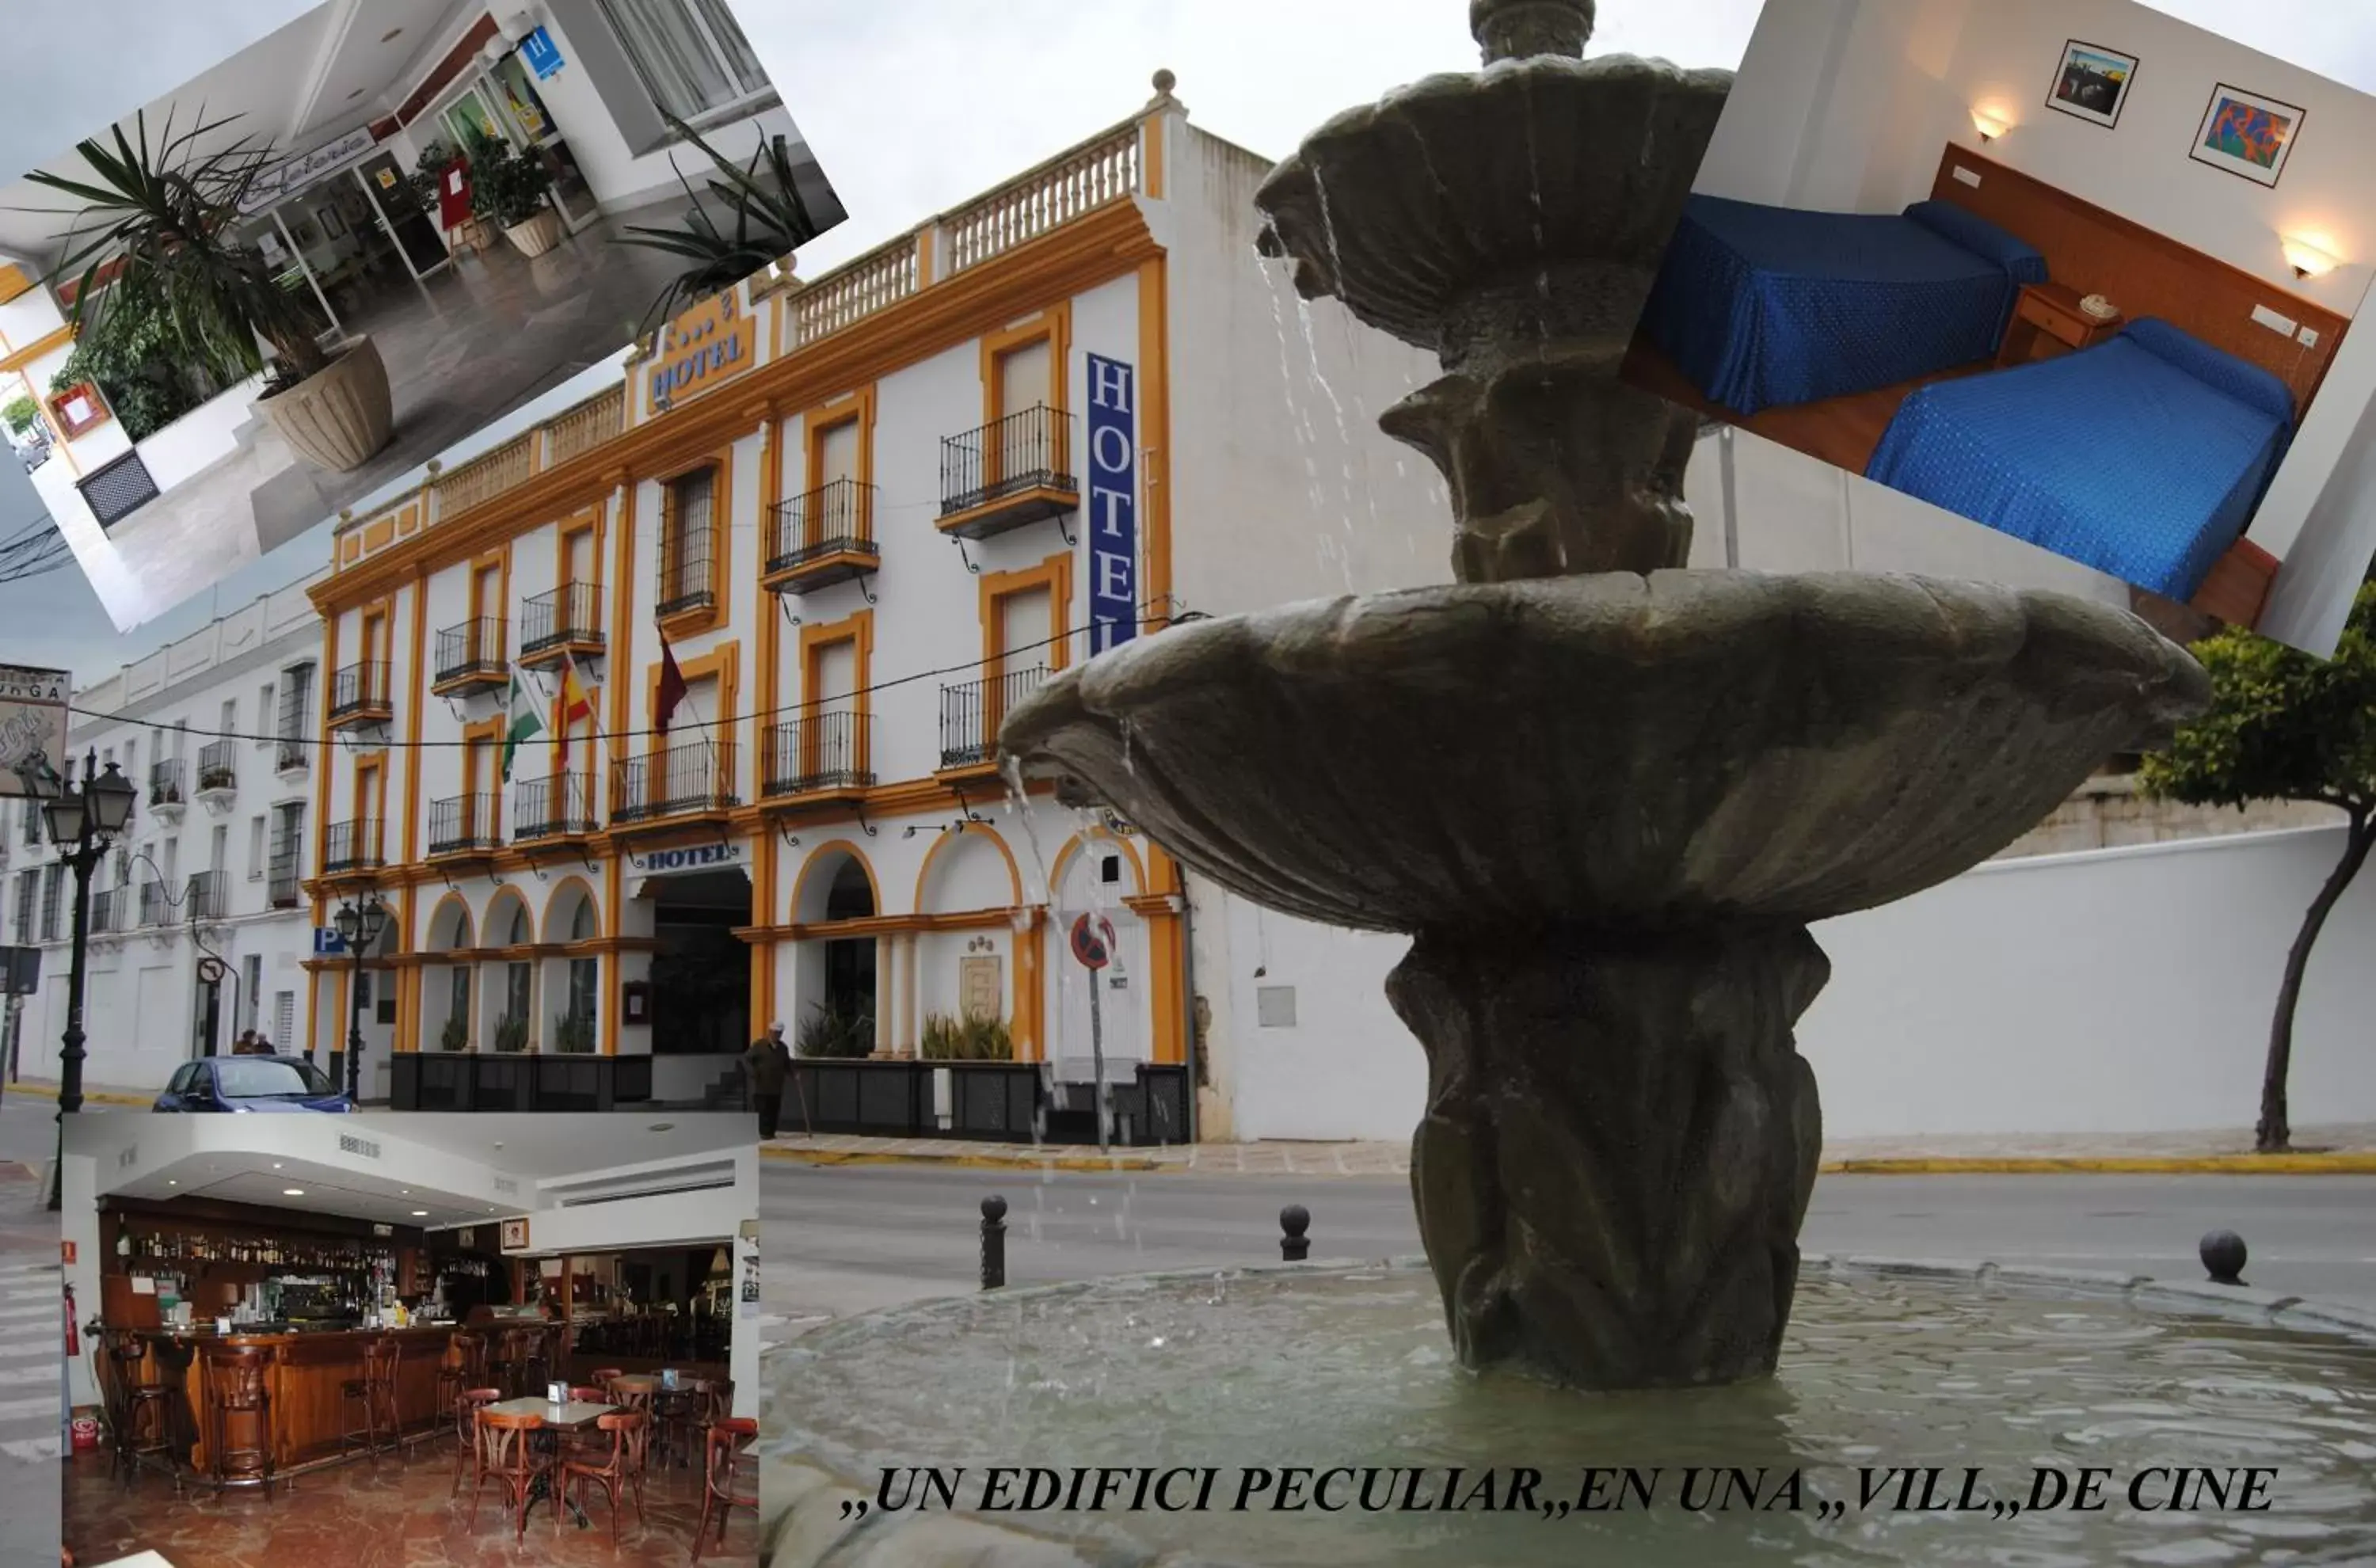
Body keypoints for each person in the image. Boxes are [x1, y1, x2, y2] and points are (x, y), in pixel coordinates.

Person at [744, 1022, 792, 1140]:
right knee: (763, 1110)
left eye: (779, 1033)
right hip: (761, 1085)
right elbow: (747, 1059)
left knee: (774, 1110)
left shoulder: (783, 1048)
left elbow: (787, 1063)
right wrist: (753, 1073)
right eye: (774, 1033)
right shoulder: (759, 1045)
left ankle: (771, 1132)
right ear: (769, 1033)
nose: (777, 1036)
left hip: (776, 1085)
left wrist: (794, 1074)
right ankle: (763, 1133)